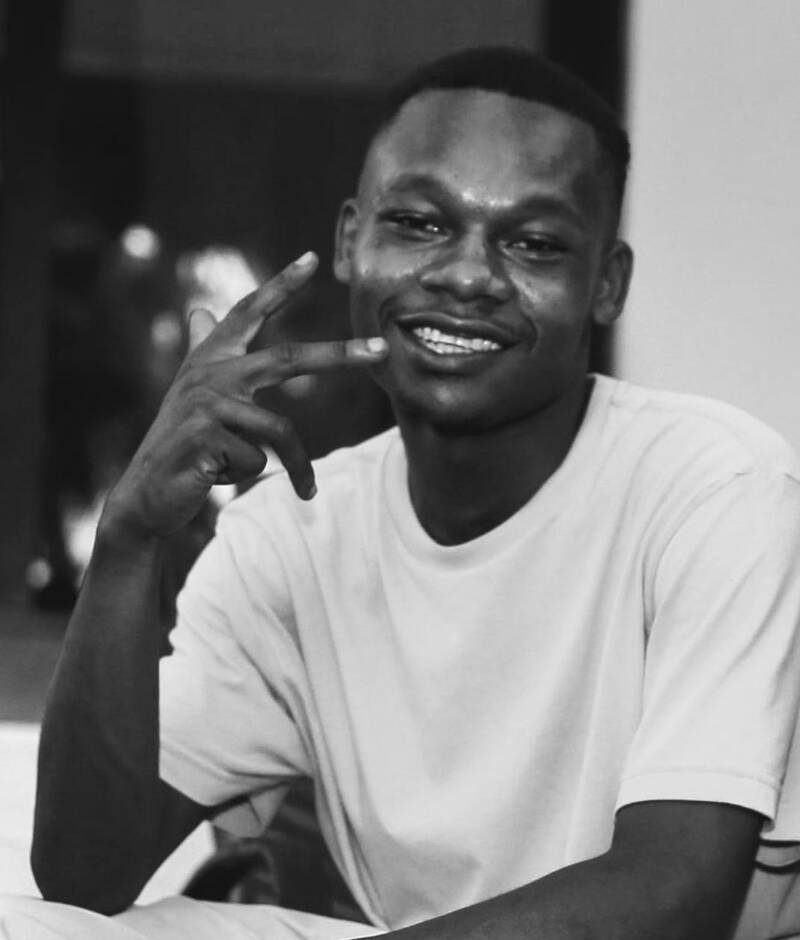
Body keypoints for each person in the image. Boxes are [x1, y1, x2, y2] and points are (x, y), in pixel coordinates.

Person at [7, 46, 800, 940]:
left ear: (606, 284)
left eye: (535, 243)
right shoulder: (294, 535)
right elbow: (82, 874)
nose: (467, 275)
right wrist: (129, 540)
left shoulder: (716, 489)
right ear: (352, 240)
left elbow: (674, 893)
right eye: (420, 223)